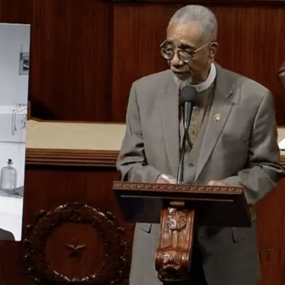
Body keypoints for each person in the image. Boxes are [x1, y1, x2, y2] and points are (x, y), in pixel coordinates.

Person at [116, 5, 283, 285]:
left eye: (187, 50)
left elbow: (267, 167)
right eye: (169, 49)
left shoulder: (254, 99)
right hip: (158, 247)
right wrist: (157, 180)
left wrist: (232, 188)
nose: (175, 61)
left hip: (224, 251)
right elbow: (129, 162)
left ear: (212, 50)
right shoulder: (143, 92)